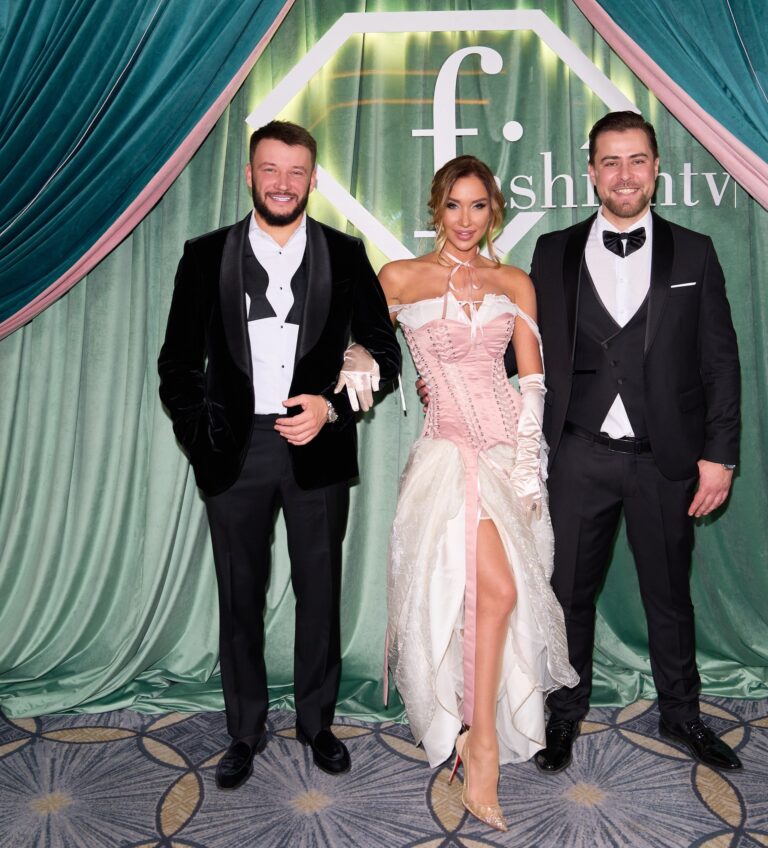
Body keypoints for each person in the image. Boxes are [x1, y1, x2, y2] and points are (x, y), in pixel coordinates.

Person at [158, 120, 401, 790]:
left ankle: (317, 724)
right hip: (234, 453)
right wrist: (203, 434)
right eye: (270, 169)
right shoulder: (204, 255)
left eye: (296, 172)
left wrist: (333, 407)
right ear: (249, 175)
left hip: (317, 447)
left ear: (313, 180)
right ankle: (244, 730)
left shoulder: (346, 254)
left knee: (319, 593)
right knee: (240, 596)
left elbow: (384, 353)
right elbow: (177, 364)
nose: (283, 183)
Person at [531, 110, 742, 774]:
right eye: (610, 162)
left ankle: (682, 715)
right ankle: (563, 712)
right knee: (567, 595)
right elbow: (525, 351)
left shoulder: (695, 252)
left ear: (656, 168)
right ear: (591, 172)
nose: (624, 175)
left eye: (637, 160)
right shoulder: (551, 251)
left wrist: (720, 455)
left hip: (665, 458)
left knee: (670, 597)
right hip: (577, 453)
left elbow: (719, 363)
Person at [379, 156, 577, 832]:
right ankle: (481, 745)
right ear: (436, 207)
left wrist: (527, 469)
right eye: (454, 205)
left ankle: (477, 732)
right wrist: (357, 359)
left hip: (503, 454)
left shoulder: (513, 282)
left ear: (494, 210)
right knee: (487, 593)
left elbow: (532, 384)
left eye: (479, 206)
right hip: (444, 454)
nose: (466, 220)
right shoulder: (399, 277)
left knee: (500, 597)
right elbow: (372, 348)